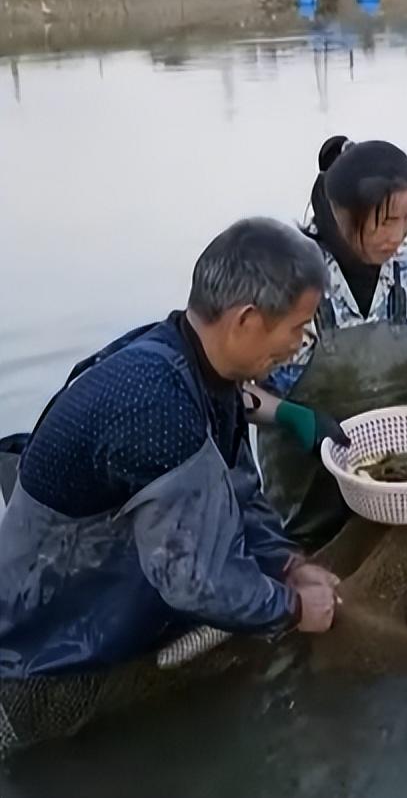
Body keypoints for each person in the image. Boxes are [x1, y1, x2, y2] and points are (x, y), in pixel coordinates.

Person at [0, 218, 341, 678]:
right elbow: (193, 581)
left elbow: (235, 489)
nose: (299, 345)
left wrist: (287, 563)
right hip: (45, 622)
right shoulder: (157, 405)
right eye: (298, 328)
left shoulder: (200, 362)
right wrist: (294, 608)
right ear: (246, 320)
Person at [246, 136, 407, 553]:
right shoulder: (291, 283)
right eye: (384, 221)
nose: (397, 236)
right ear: (341, 214)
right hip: (308, 507)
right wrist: (292, 416)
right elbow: (235, 389)